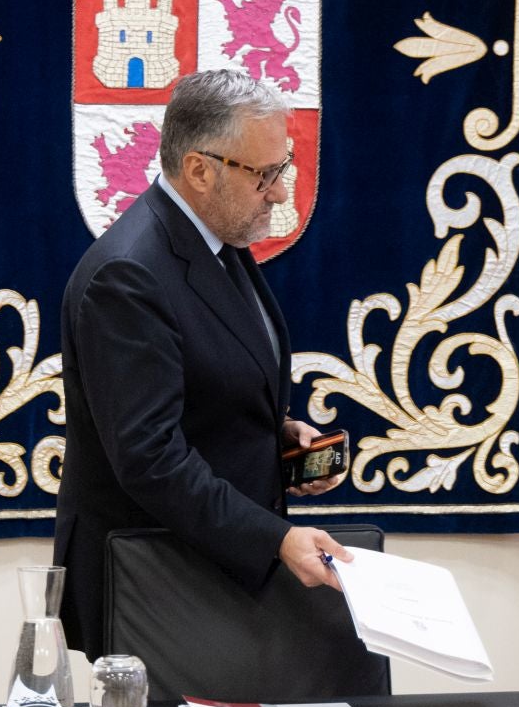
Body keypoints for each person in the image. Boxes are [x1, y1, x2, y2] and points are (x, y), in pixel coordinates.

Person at [53, 69, 348, 658]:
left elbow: (202, 389)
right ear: (199, 170)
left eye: (283, 167)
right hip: (151, 578)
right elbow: (150, 459)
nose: (280, 193)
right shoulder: (128, 274)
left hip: (202, 571)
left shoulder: (213, 241)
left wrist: (277, 436)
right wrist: (276, 539)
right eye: (265, 175)